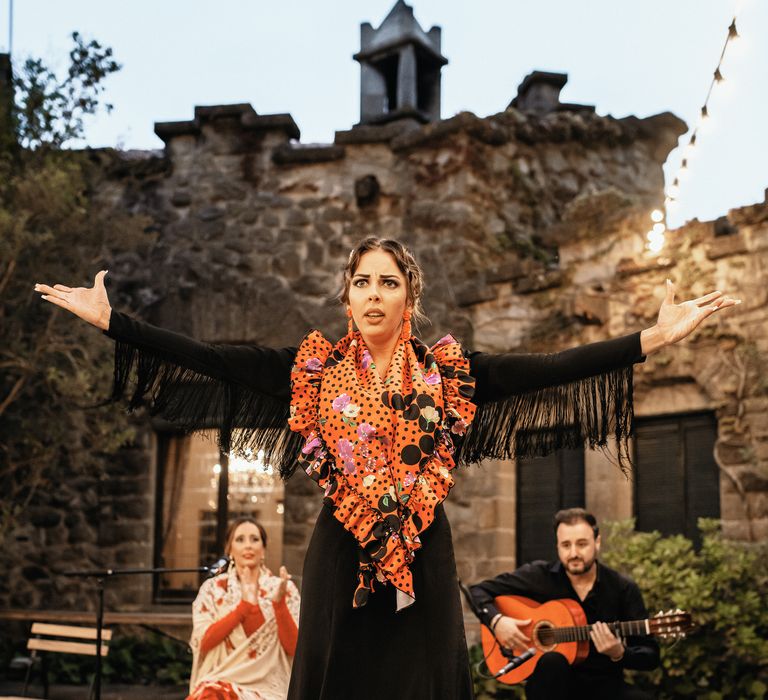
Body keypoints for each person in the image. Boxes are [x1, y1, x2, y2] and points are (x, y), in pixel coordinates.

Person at [34, 236, 738, 699]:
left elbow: (550, 367)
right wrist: (114, 322)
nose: (372, 293)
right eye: (360, 281)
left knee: (426, 680)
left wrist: (651, 337)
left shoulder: (450, 378)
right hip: (340, 553)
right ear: (347, 297)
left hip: (423, 556)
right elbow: (210, 356)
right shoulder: (310, 372)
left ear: (410, 297)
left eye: (388, 282)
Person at [470, 508, 659, 700]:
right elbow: (477, 591)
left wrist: (620, 653)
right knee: (553, 660)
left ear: (597, 543)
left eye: (582, 544)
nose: (574, 553)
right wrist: (497, 621)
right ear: (557, 546)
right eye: (566, 545)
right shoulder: (538, 576)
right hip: (552, 687)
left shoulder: (622, 588)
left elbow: (651, 655)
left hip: (604, 685)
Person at [188, 517, 299, 700]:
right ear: (229, 549)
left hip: (269, 686)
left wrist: (279, 606)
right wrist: (244, 607)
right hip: (222, 679)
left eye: (254, 539)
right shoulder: (214, 589)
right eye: (240, 539)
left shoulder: (282, 588)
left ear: (263, 549)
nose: (248, 545)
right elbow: (204, 642)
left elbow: (295, 649)